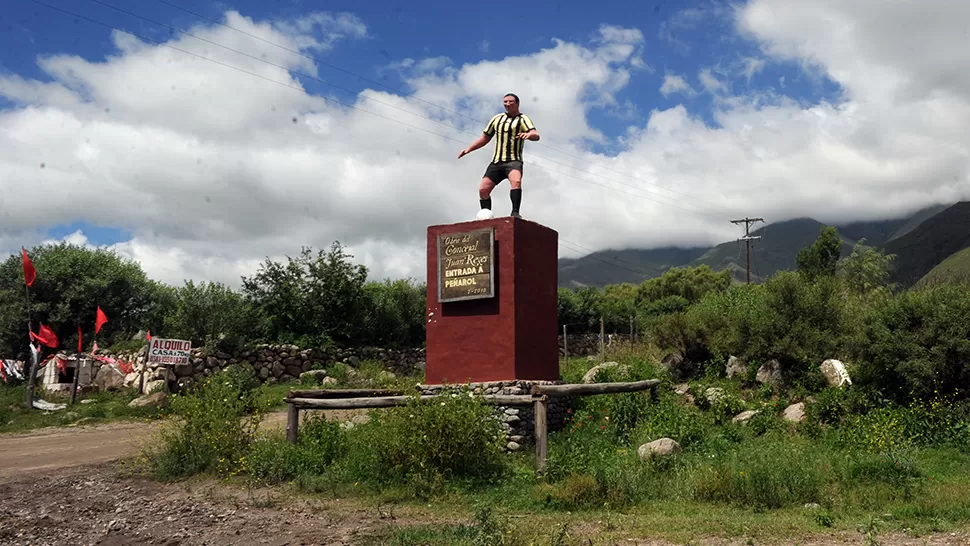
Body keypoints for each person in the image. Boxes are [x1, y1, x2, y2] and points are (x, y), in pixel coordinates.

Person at [458, 93, 539, 217]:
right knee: (483, 189)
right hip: (497, 162)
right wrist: (469, 149)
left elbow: (535, 134)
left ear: (517, 103)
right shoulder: (497, 119)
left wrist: (528, 135)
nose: (507, 104)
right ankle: (486, 216)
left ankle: (515, 212)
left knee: (516, 182)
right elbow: (485, 138)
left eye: (510, 101)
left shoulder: (523, 119)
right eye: (505, 102)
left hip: (513, 161)